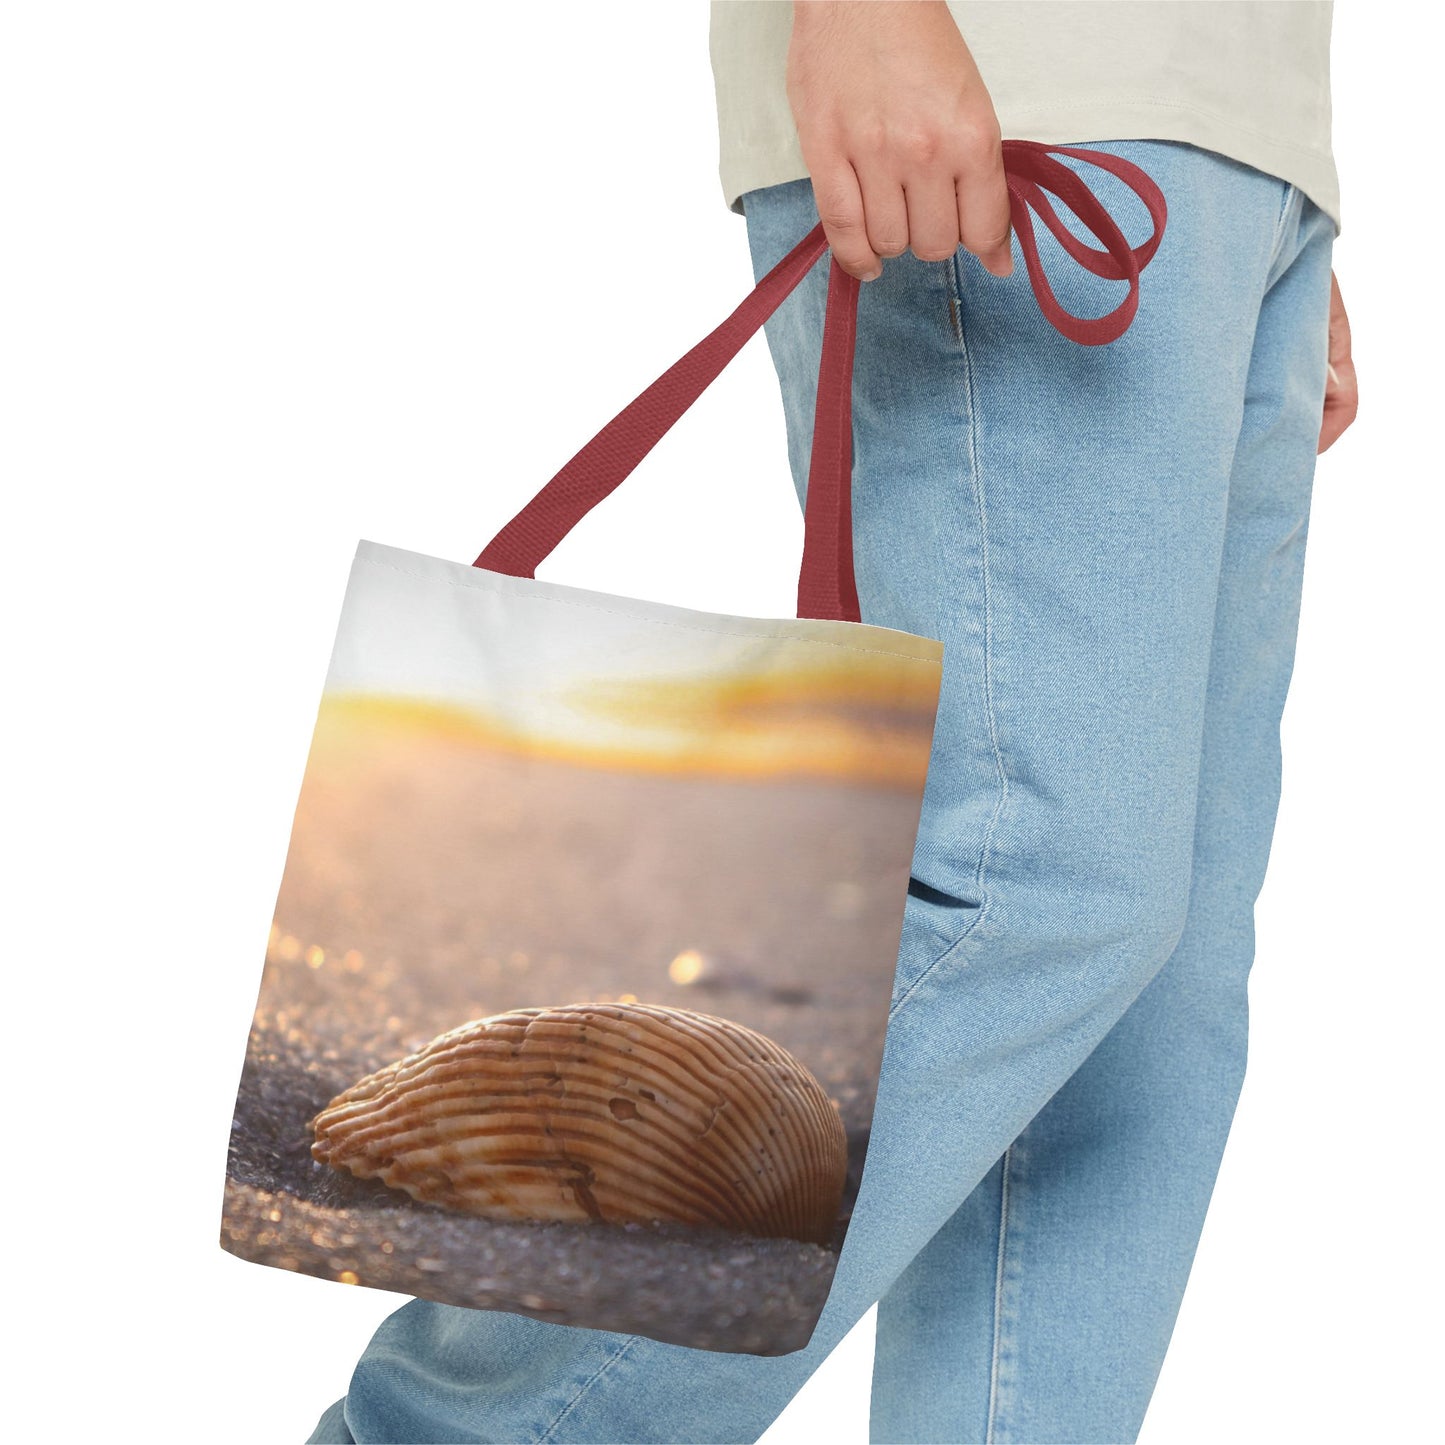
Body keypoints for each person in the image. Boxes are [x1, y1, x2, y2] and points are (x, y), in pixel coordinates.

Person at [307, 2, 1357, 1440]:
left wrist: (1267, 173)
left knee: (1146, 1008)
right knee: (1025, 888)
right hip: (1014, 81)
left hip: (1221, 137)